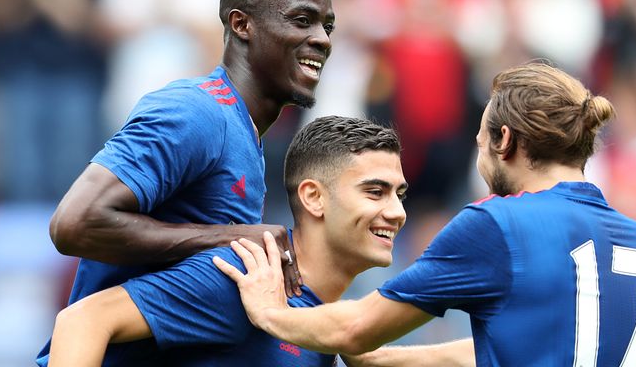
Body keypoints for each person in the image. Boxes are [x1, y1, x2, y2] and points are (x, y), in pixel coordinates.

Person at [216, 62, 636, 366]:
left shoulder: (497, 224)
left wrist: (270, 312)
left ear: (504, 140)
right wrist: (379, 360)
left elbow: (355, 328)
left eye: (480, 138)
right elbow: (508, 349)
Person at [36, 0, 335, 366]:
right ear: (241, 24)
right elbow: (73, 224)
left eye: (327, 26)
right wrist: (229, 238)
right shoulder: (196, 112)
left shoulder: (242, 134)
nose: (322, 39)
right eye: (302, 21)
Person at [46, 116, 472, 366]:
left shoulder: (316, 321)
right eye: (374, 192)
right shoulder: (246, 274)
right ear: (314, 198)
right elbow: (82, 321)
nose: (396, 212)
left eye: (400, 195)